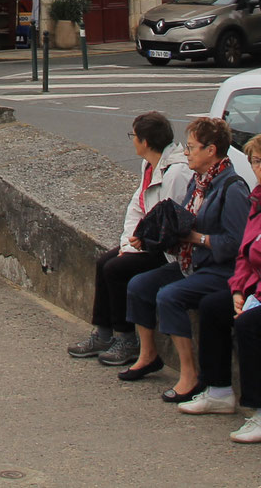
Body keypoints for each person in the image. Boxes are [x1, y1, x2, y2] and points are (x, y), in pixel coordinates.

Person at [180, 132, 261, 443]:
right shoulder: (259, 200)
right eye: (256, 161)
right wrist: (238, 292)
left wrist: (256, 300)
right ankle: (219, 390)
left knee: (250, 325)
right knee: (214, 305)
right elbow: (244, 257)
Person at [120, 117, 250, 404]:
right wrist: (152, 236)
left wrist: (195, 238)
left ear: (211, 150)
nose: (186, 152)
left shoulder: (233, 188)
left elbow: (236, 244)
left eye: (191, 147)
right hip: (193, 263)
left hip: (218, 269)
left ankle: (189, 375)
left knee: (169, 296)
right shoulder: (199, 181)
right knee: (139, 286)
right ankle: (148, 355)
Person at [68, 111, 190, 366]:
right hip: (144, 242)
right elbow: (137, 206)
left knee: (116, 269)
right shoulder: (149, 164)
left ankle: (127, 339)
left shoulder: (175, 173)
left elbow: (171, 221)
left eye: (134, 136)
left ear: (145, 142)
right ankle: (103, 333)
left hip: (166, 250)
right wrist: (128, 244)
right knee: (104, 262)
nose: (132, 141)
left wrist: (141, 244)